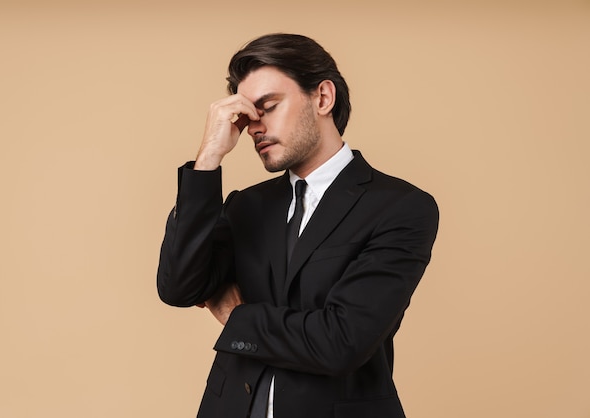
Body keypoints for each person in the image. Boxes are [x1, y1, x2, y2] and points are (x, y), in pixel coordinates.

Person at [157, 33, 439, 418]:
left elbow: (341, 342)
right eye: (246, 116)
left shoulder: (401, 207)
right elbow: (178, 286)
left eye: (268, 107)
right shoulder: (246, 205)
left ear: (322, 97)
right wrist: (209, 158)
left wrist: (238, 318)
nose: (254, 127)